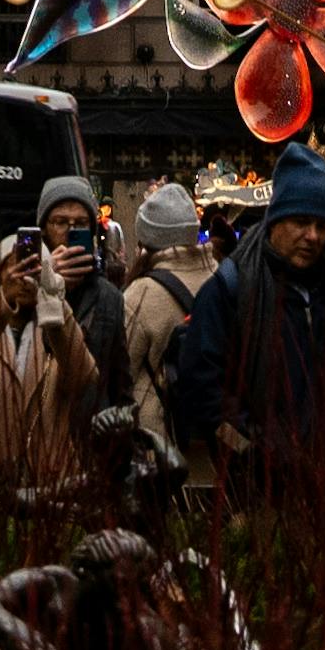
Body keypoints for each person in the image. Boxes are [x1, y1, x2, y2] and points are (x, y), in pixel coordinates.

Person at [165, 144, 325, 480]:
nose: (312, 236)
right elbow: (202, 389)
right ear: (276, 220)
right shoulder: (232, 287)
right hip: (259, 483)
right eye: (301, 222)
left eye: (322, 226)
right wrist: (261, 453)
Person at [0, 190, 108, 501]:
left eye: (33, 267)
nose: (25, 275)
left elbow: (84, 377)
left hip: (46, 494)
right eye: (14, 265)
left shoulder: (56, 336)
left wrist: (54, 301)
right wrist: (2, 301)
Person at [114, 185, 208, 453]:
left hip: (161, 449)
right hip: (218, 445)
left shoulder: (140, 294)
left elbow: (121, 375)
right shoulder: (222, 278)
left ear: (145, 240)